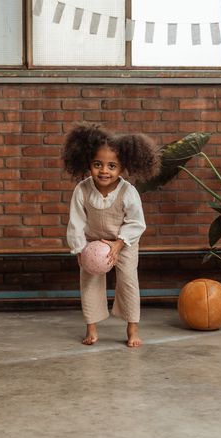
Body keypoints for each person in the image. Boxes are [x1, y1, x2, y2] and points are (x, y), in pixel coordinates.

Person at [63, 123, 159, 347]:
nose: (104, 171)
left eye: (112, 166)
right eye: (98, 164)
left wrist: (118, 244)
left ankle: (132, 329)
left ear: (123, 168)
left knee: (128, 281)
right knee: (89, 282)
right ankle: (92, 329)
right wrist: (79, 249)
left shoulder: (128, 192)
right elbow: (76, 222)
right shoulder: (82, 189)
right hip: (92, 241)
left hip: (124, 241)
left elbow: (136, 222)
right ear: (88, 163)